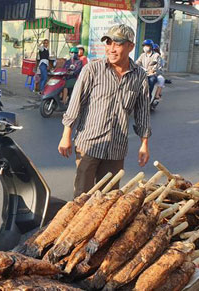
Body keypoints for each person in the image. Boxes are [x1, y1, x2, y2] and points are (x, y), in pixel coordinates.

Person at [58, 24, 151, 198]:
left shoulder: (139, 76)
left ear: (130, 46)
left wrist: (144, 144)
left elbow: (143, 112)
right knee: (82, 197)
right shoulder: (92, 69)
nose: (111, 49)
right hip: (89, 145)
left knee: (109, 199)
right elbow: (75, 104)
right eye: (108, 43)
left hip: (116, 148)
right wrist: (66, 136)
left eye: (117, 44)